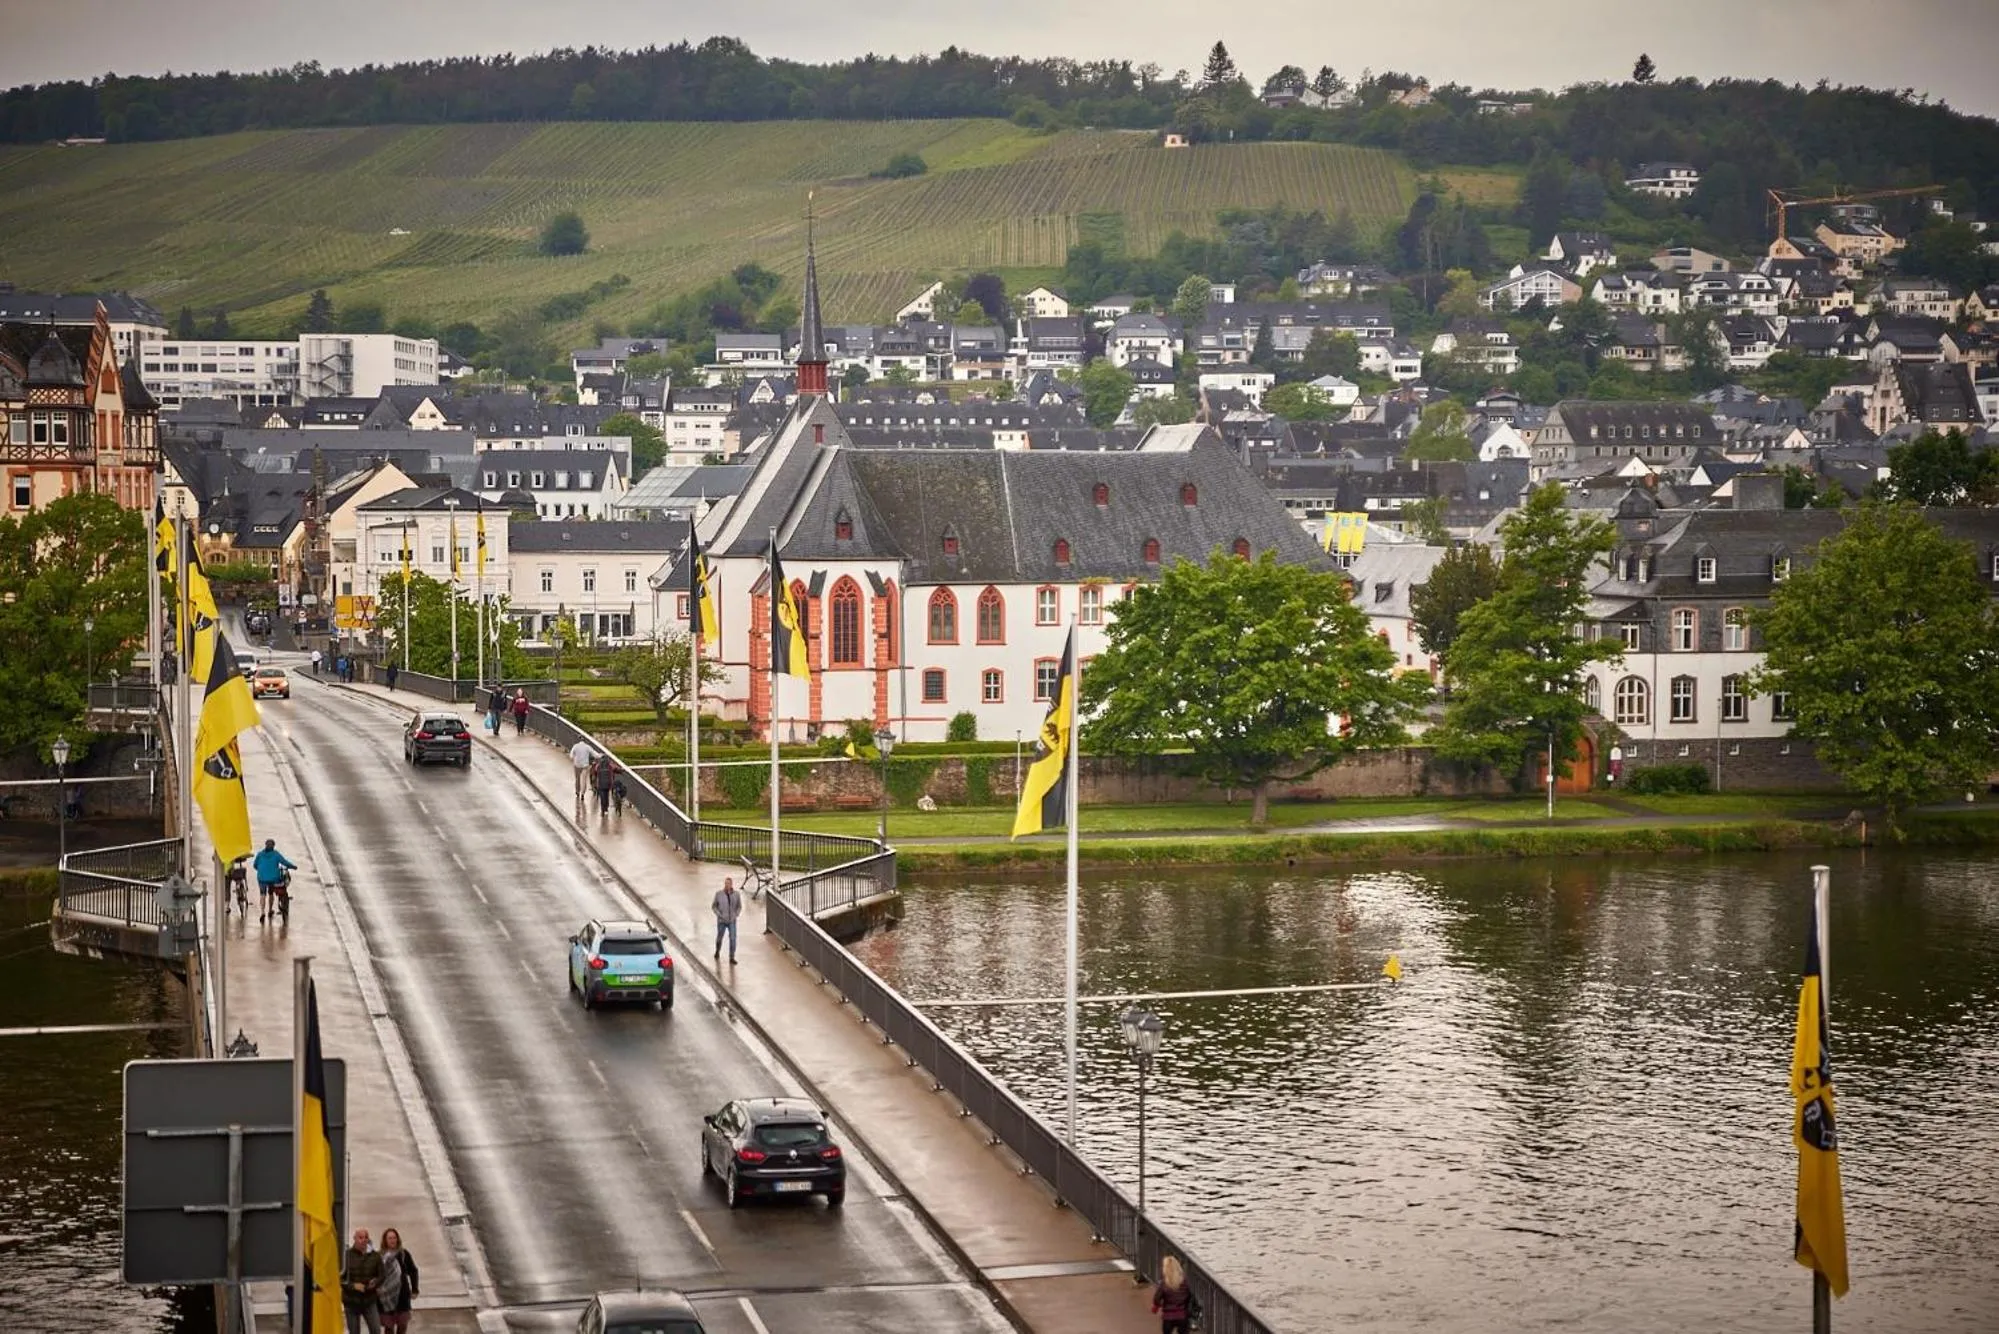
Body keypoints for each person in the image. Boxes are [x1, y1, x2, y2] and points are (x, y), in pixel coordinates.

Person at [376, 1228, 419, 1333]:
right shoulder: (379, 1256)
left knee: (402, 1326)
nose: (392, 1240)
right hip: (386, 1297)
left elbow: (413, 1271)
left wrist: (415, 1289)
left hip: (402, 1296)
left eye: (394, 1238)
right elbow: (375, 1275)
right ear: (385, 1240)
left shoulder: (404, 1254)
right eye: (390, 1238)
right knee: (388, 1328)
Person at [342, 1227, 384, 1334]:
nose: (363, 1240)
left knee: (376, 1330)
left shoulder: (375, 1256)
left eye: (366, 1237)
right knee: (354, 1331)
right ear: (354, 1239)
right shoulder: (346, 1256)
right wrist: (352, 1286)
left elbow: (382, 1275)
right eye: (360, 1237)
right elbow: (339, 1278)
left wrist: (375, 1283)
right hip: (351, 1300)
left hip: (369, 1299)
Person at [252, 838, 297, 924]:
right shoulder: (276, 854)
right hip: (273, 878)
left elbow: (255, 865)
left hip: (261, 878)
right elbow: (285, 862)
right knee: (271, 893)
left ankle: (262, 912)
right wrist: (293, 866)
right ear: (273, 846)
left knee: (262, 894)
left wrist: (261, 870)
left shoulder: (260, 854)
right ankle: (270, 910)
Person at [1151, 1255, 1197, 1334]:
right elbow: (1189, 1296)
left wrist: (1160, 1305)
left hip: (1168, 1317)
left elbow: (1157, 1299)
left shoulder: (1164, 1283)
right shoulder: (1184, 1282)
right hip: (1182, 1316)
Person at [712, 876, 742, 964]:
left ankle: (732, 957)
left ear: (731, 884)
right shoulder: (719, 894)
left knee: (733, 938)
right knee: (719, 938)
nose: (727, 885)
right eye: (726, 883)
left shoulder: (736, 894)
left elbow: (739, 906)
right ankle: (717, 951)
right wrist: (719, 914)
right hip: (722, 921)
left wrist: (736, 914)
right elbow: (714, 906)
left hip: (732, 920)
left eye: (729, 884)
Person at [570, 738, 594, 803]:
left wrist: (574, 759)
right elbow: (594, 754)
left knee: (577, 779)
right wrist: (600, 755)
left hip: (577, 765)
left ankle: (577, 791)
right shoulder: (587, 747)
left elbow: (571, 755)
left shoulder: (575, 746)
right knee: (584, 780)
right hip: (585, 765)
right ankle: (583, 793)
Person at [593, 752, 615, 817]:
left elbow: (595, 771)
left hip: (600, 783)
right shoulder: (610, 765)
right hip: (608, 783)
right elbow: (615, 769)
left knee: (602, 797)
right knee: (607, 795)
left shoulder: (598, 765)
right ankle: (606, 809)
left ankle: (603, 809)